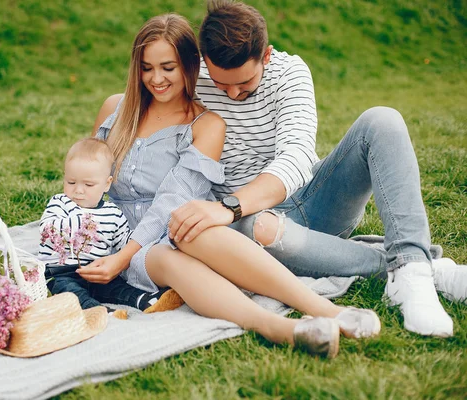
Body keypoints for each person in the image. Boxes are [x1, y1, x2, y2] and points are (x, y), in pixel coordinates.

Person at [77, 13, 381, 358]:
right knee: (170, 252)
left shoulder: (205, 124)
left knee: (191, 226)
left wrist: (125, 257)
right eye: (147, 68)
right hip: (119, 236)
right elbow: (89, 175)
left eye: (168, 67)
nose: (157, 79)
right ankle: (284, 329)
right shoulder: (115, 109)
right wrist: (86, 236)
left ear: (191, 66)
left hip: (169, 222)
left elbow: (173, 200)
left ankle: (327, 311)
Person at [167, 0, 466, 337]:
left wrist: (228, 207)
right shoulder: (193, 79)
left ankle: (412, 266)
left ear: (265, 55)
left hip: (314, 200)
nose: (233, 94)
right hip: (251, 228)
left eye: (244, 83)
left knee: (383, 120)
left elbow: (295, 156)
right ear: (205, 61)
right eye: (223, 86)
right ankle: (417, 270)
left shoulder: (290, 72)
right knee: (261, 225)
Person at [39, 137, 184, 317]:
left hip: (97, 272)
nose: (78, 190)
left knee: (117, 287)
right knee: (69, 293)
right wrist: (83, 222)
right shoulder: (60, 203)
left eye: (88, 184)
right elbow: (46, 229)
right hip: (62, 272)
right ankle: (98, 312)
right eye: (71, 182)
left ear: (106, 184)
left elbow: (125, 243)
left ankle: (146, 299)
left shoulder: (112, 213)